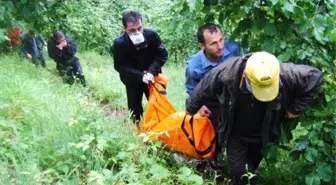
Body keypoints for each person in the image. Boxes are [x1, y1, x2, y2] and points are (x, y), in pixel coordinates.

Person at [185, 51, 323, 185]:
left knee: (251, 166)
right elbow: (203, 89)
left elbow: (315, 77)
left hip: (265, 130)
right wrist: (189, 112)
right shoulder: (227, 72)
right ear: (245, 75)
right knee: (238, 171)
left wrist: (296, 108)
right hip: (236, 131)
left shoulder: (285, 72)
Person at [185, 23, 247, 168]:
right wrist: (200, 106)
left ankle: (238, 160)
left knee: (238, 130)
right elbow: (191, 88)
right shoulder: (194, 65)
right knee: (214, 132)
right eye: (213, 43)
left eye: (221, 40)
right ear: (202, 46)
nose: (219, 46)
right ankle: (212, 159)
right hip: (211, 101)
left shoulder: (235, 49)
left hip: (235, 96)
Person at [112, 11, 168, 124]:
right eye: (132, 30)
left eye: (139, 28)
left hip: (153, 78)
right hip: (132, 80)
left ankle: (161, 132)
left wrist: (151, 72)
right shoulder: (119, 43)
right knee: (135, 110)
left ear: (142, 24)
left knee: (159, 107)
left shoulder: (152, 35)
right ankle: (138, 133)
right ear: (125, 29)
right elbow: (119, 66)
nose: (137, 32)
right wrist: (140, 76)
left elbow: (162, 55)